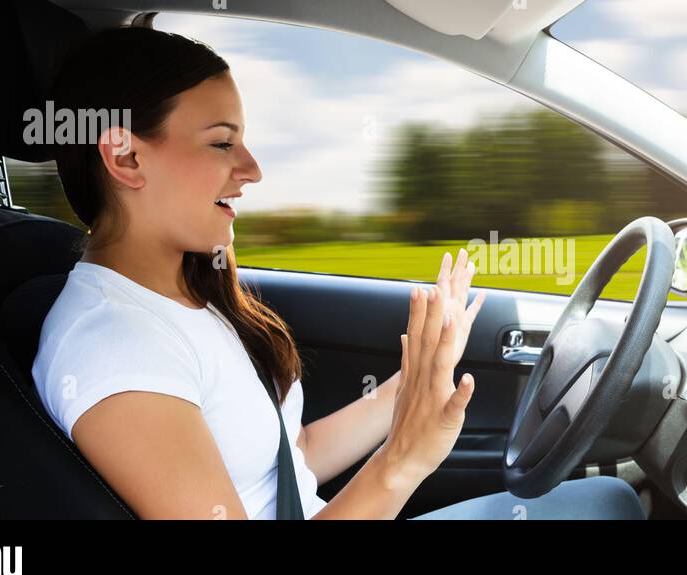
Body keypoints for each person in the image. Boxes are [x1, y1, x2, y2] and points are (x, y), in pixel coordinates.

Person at [32, 26, 644, 520]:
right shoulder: (115, 347)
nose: (252, 169)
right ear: (127, 156)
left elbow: (288, 463)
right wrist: (402, 460)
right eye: (222, 143)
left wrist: (413, 381)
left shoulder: (185, 293)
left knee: (609, 502)